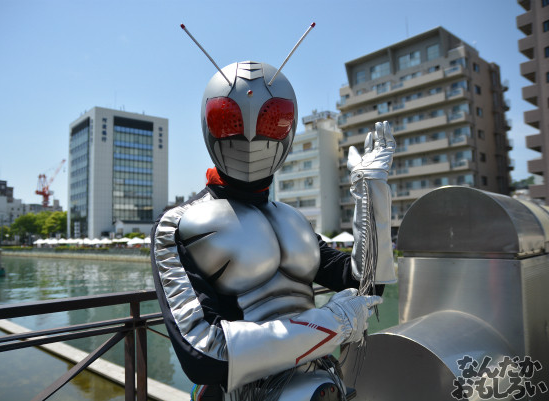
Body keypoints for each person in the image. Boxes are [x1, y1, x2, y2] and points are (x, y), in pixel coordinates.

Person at [151, 60, 396, 401]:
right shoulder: (178, 224)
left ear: (289, 128)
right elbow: (203, 354)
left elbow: (366, 285)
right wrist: (332, 323)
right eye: (229, 120)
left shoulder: (292, 218)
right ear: (208, 125)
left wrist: (371, 194)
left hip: (322, 383)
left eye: (272, 119)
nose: (251, 136)